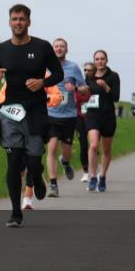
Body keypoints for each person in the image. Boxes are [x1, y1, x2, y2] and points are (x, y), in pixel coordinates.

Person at [0, 4, 63, 227]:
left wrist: (43, 82)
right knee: (13, 161)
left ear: (29, 22)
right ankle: (15, 213)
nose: (18, 22)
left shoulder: (42, 47)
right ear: (9, 22)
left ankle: (37, 175)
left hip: (36, 111)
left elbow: (57, 73)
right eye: (14, 19)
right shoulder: (1, 50)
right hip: (10, 111)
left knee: (33, 159)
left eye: (22, 19)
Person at [44, 38, 86, 197]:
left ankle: (66, 162)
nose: (59, 49)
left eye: (62, 46)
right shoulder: (45, 68)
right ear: (52, 50)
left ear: (66, 50)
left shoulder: (73, 67)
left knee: (66, 151)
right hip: (51, 114)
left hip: (69, 116)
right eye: (56, 46)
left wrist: (75, 87)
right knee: (52, 147)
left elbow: (84, 89)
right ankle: (53, 184)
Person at [84, 49, 120, 193]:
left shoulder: (113, 76)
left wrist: (105, 86)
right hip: (92, 115)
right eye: (97, 59)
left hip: (108, 116)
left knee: (106, 150)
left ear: (106, 60)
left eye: (102, 59)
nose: (100, 61)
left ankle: (103, 176)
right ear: (94, 61)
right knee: (93, 146)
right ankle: (93, 176)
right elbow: (85, 92)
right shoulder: (89, 76)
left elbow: (116, 97)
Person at [77, 62, 95, 182]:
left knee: (94, 145)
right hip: (79, 117)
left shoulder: (95, 85)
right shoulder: (79, 84)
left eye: (89, 70)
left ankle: (94, 167)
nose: (87, 72)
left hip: (93, 117)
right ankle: (85, 171)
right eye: (85, 70)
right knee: (83, 144)